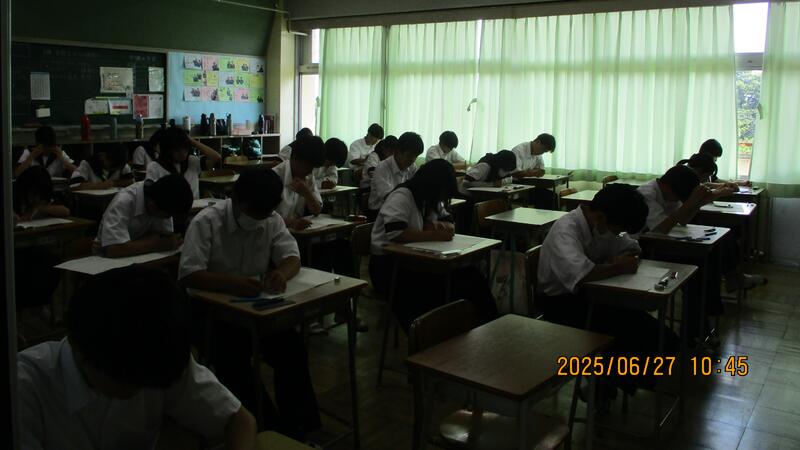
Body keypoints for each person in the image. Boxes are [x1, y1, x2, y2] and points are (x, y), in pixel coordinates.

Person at [17, 265, 256, 450]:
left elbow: (240, 421)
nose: (139, 390)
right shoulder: (25, 387)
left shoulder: (156, 352)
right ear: (80, 351)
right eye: (126, 383)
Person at [179, 170, 321, 440]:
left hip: (254, 309)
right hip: (210, 313)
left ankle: (299, 430)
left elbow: (292, 257)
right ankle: (268, 431)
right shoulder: (206, 221)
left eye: (265, 214)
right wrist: (232, 284)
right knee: (234, 362)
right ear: (236, 199)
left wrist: (281, 274)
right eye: (254, 213)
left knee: (292, 350)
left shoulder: (271, 219)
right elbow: (189, 274)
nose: (259, 220)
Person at [538, 184, 677, 399]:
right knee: (638, 336)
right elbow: (582, 275)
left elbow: (631, 247)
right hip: (562, 304)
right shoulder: (566, 230)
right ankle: (603, 382)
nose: (618, 234)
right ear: (601, 218)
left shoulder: (604, 223)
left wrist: (626, 257)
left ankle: (606, 383)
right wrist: (619, 267)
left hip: (596, 296)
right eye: (618, 230)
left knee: (662, 337)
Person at [369, 159, 499, 330]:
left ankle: (489, 326)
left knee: (471, 275)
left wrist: (435, 226)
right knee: (436, 291)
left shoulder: (430, 198)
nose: (442, 198)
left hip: (418, 259)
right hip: (388, 265)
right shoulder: (402, 196)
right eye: (442, 193)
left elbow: (450, 223)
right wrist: (433, 233)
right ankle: (436, 334)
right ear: (432, 184)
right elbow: (396, 232)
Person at [13, 166, 69, 310]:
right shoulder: (13, 196)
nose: (36, 198)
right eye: (33, 193)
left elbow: (65, 211)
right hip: (15, 249)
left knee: (50, 263)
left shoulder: (43, 200)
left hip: (36, 247)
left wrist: (41, 208)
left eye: (39, 194)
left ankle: (39, 303)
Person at [95, 175, 192, 258]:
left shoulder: (162, 196)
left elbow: (163, 236)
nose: (169, 218)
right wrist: (156, 244)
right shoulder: (124, 201)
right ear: (152, 206)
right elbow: (112, 250)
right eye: (168, 216)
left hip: (139, 257)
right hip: (105, 262)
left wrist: (164, 241)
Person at [145, 126, 221, 199]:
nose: (183, 154)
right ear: (168, 150)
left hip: (195, 206)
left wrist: (191, 140)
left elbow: (216, 157)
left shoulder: (192, 161)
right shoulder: (155, 166)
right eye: (177, 150)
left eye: (185, 149)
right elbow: (150, 194)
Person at [271, 136, 325, 231]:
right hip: (275, 233)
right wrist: (291, 223)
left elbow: (317, 211)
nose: (310, 171)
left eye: (312, 168)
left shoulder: (308, 176)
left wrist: (307, 194)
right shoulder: (275, 176)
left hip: (295, 233)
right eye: (308, 166)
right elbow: (264, 218)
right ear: (295, 159)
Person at [367, 132, 422, 213]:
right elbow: (388, 197)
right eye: (409, 155)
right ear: (397, 151)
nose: (413, 160)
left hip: (399, 208)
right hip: (379, 211)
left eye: (415, 156)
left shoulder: (412, 167)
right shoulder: (382, 168)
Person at [282, 136, 348, 190]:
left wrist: (320, 183)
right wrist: (320, 183)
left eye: (333, 164)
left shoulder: (331, 164)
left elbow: (333, 179)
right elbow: (300, 182)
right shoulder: (309, 159)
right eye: (330, 163)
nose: (329, 166)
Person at [510, 133, 557, 208]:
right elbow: (516, 174)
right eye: (542, 150)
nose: (542, 153)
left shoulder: (538, 153)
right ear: (538, 142)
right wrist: (533, 172)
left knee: (553, 196)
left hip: (529, 184)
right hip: (516, 186)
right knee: (546, 197)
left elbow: (542, 171)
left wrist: (527, 172)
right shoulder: (519, 150)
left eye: (544, 152)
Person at [70, 144, 135, 190]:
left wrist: (113, 183)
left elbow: (131, 181)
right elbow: (73, 185)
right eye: (111, 165)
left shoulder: (122, 165)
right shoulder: (87, 164)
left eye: (117, 168)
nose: (114, 170)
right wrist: (98, 185)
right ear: (102, 155)